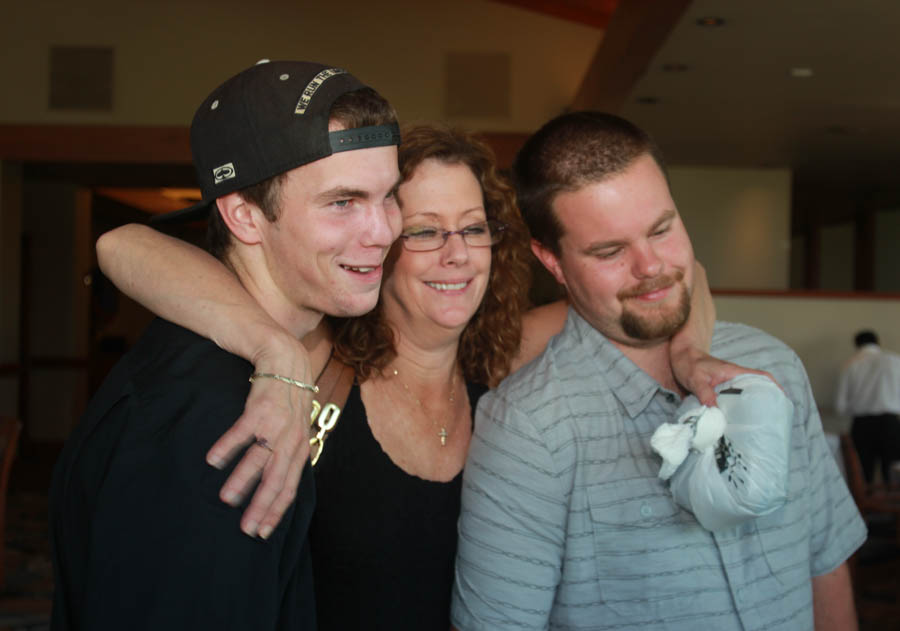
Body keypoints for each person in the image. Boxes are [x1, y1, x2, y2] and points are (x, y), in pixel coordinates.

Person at [94, 122, 740, 628]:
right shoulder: (321, 354)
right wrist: (275, 350)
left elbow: (678, 283)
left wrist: (690, 355)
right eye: (424, 231)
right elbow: (122, 245)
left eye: (473, 228)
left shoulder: (499, 358)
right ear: (380, 244)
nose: (456, 253)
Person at [451, 112, 867, 631]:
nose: (650, 267)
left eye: (662, 230)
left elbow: (823, 563)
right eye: (609, 251)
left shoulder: (772, 365)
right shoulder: (528, 428)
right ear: (552, 262)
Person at [49, 59, 403, 630]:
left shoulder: (243, 367)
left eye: (389, 196)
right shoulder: (223, 421)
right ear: (245, 216)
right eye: (343, 202)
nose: (383, 230)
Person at [835, 329, 900, 483]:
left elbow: (840, 406)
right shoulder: (895, 360)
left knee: (862, 474)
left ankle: (866, 506)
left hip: (862, 425)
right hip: (890, 423)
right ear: (877, 342)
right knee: (893, 472)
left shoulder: (850, 364)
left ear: (856, 345)